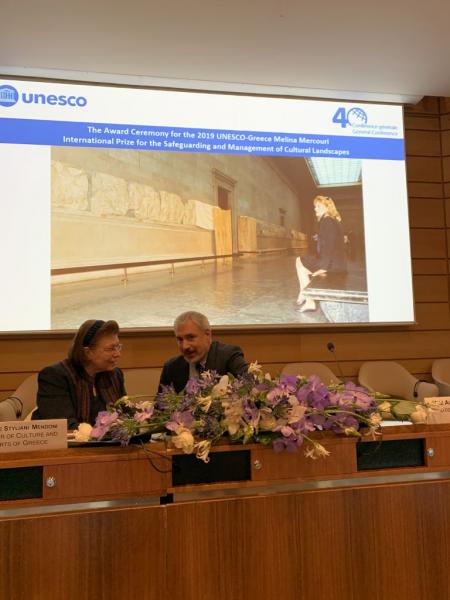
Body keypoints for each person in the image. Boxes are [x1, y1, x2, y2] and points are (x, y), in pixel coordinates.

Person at [32, 319, 125, 429]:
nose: (117, 354)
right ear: (88, 352)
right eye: (110, 349)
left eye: (118, 347)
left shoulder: (114, 375)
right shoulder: (55, 376)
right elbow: (63, 427)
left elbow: (124, 415)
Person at [159, 311, 249, 393]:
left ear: (207, 335)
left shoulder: (229, 356)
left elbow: (251, 390)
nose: (185, 346)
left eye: (190, 337)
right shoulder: (171, 367)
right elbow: (161, 404)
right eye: (180, 339)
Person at [296, 195, 347, 313]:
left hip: (332, 264)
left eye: (318, 206)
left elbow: (329, 246)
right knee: (301, 264)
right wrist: (319, 237)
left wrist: (324, 267)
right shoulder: (332, 220)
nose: (315, 209)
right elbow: (332, 241)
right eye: (315, 206)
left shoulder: (327, 221)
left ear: (327, 207)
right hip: (338, 262)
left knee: (299, 261)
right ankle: (305, 295)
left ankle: (308, 300)